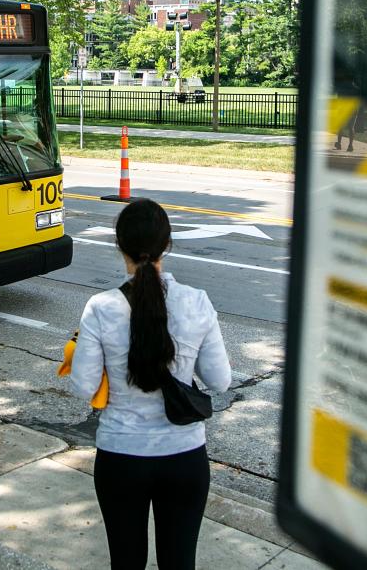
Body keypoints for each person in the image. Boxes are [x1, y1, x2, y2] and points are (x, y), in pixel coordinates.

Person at [68, 198, 232, 569]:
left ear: (119, 246)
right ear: (167, 245)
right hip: (185, 458)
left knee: (125, 563)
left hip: (120, 458)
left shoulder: (101, 307)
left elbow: (83, 386)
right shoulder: (197, 302)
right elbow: (220, 381)